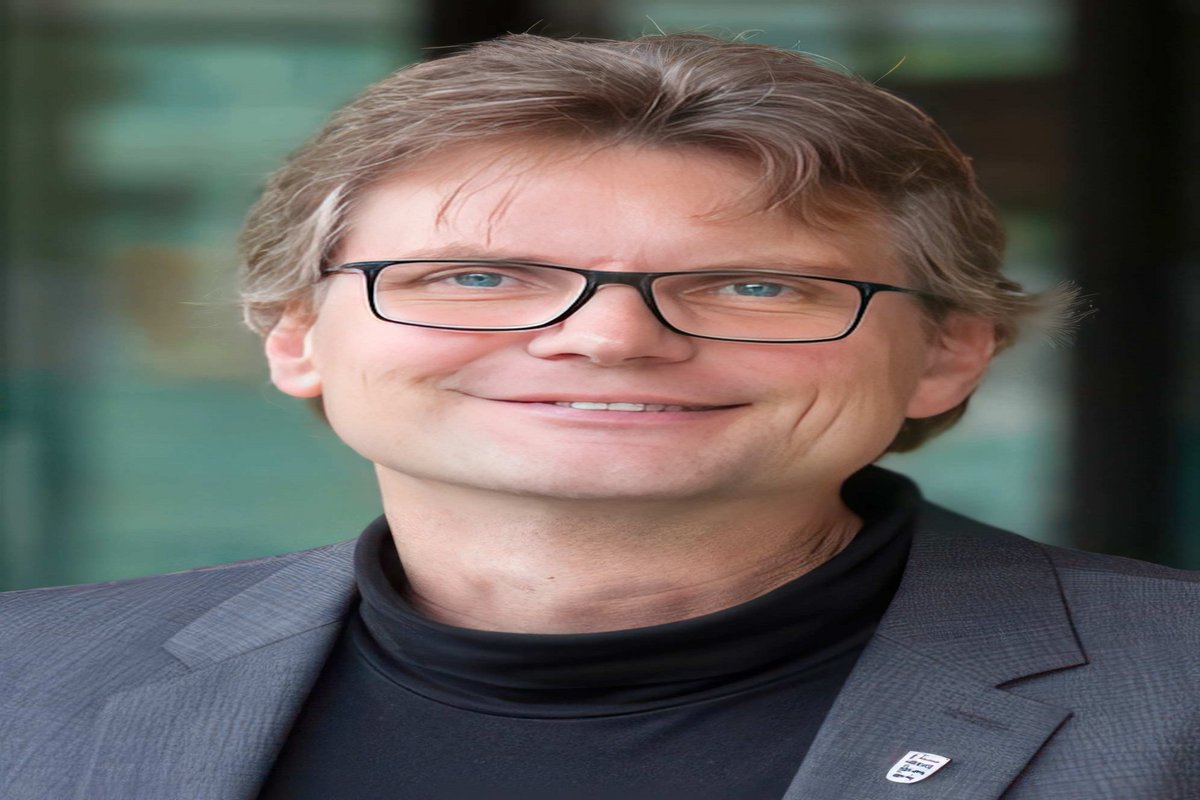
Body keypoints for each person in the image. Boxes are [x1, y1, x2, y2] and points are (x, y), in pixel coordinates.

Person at [1, 33, 1197, 800]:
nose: (611, 337)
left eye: (754, 285)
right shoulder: (22, 678)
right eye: (479, 275)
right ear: (297, 335)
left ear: (948, 352)